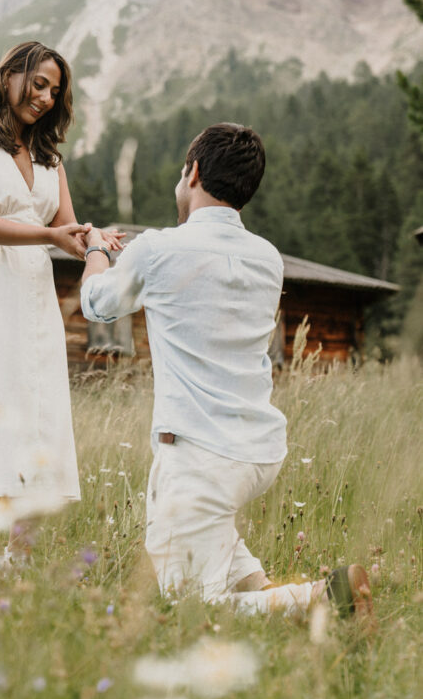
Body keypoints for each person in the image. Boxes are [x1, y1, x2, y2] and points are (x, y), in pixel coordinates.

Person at [80, 123, 373, 620]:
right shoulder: (268, 258)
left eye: (181, 172)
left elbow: (97, 304)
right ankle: (293, 608)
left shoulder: (158, 248)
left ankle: (326, 598)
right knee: (212, 534)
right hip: (256, 451)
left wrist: (94, 250)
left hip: (199, 452)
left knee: (194, 610)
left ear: (192, 173)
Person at [0, 40, 121, 561]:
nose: (47, 97)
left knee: (36, 410)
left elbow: (65, 228)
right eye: (39, 84)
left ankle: (21, 556)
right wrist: (53, 238)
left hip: (33, 294)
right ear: (9, 74)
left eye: (55, 91)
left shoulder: (48, 157)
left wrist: (95, 239)